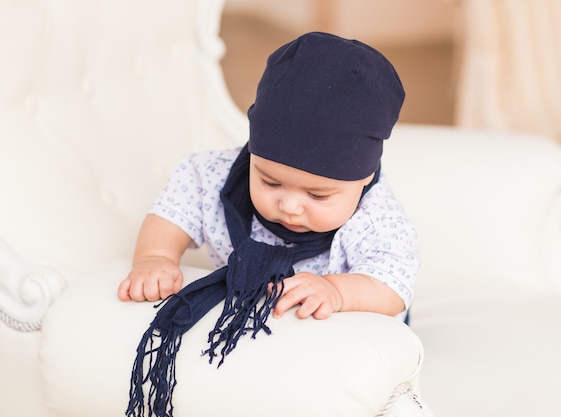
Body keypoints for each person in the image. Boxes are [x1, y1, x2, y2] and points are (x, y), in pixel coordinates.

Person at [121, 31, 419, 417]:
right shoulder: (212, 175)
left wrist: (336, 291)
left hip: (345, 326)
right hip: (257, 323)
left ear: (364, 179)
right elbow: (173, 212)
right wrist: (155, 257)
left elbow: (391, 287)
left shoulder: (378, 220)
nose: (290, 205)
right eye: (269, 181)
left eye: (317, 195)